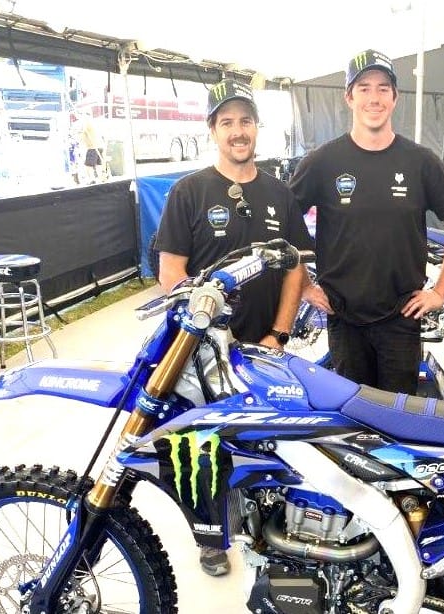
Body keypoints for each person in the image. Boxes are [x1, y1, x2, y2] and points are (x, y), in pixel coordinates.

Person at [154, 78, 311, 577]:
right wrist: (202, 332)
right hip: (203, 353)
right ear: (212, 131)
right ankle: (211, 538)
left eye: (246, 121)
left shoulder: (279, 194)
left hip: (266, 347)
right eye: (227, 123)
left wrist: (279, 335)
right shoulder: (188, 191)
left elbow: (295, 269)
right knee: (202, 449)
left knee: (265, 442)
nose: (238, 131)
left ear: (257, 128)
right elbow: (170, 274)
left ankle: (264, 527)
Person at [289, 49, 444, 394]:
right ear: (349, 97)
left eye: (383, 88)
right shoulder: (322, 162)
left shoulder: (421, 162)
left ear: (395, 97)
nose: (374, 97)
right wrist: (304, 286)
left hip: (401, 318)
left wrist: (440, 291)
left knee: (397, 422)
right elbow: (283, 226)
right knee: (352, 420)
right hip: (343, 317)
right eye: (365, 88)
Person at [78, 114, 105, 183]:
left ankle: (92, 179)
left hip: (93, 147)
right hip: (99, 146)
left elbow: (81, 136)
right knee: (98, 164)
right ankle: (100, 179)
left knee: (88, 166)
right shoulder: (93, 123)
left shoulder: (87, 123)